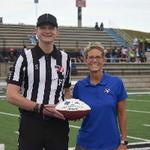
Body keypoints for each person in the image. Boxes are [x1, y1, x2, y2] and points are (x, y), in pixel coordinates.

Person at [6, 13, 71, 150]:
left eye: (51, 28)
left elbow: (66, 91)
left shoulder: (65, 58)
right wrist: (40, 107)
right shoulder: (24, 57)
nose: (47, 31)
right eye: (43, 27)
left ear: (56, 31)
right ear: (36, 31)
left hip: (58, 123)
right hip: (31, 121)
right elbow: (11, 95)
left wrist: (69, 110)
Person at [73, 42, 128, 150]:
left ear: (104, 60)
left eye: (98, 57)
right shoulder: (79, 86)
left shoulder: (116, 83)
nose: (94, 60)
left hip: (111, 144)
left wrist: (123, 141)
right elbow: (76, 113)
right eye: (91, 57)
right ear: (85, 60)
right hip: (84, 145)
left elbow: (122, 114)